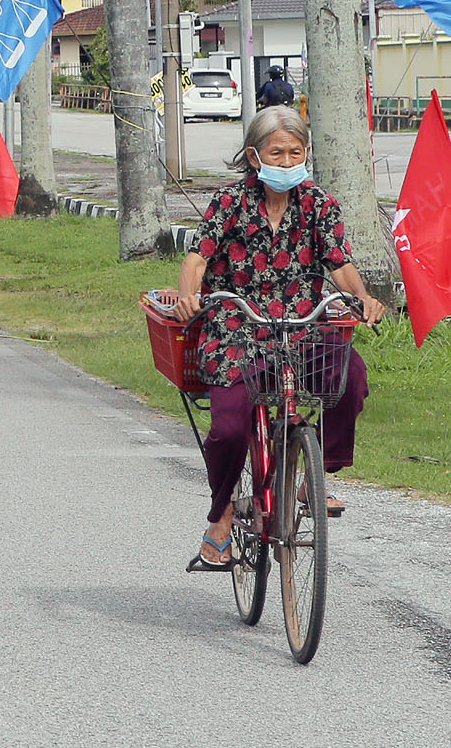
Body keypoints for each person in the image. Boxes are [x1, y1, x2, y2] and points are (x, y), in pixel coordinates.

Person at [169, 106, 386, 572]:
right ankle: (222, 514)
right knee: (228, 427)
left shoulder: (319, 205)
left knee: (350, 377)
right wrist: (189, 297)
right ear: (255, 155)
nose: (287, 163)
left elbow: (340, 263)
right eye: (277, 153)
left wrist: (362, 298)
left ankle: (316, 473)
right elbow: (198, 258)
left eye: (295, 153)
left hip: (300, 325)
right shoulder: (228, 204)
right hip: (237, 327)